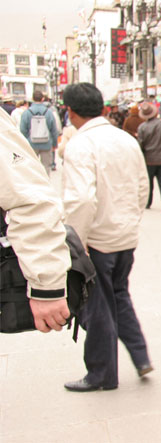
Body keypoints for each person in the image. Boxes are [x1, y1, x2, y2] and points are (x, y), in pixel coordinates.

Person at [61, 83, 152, 392]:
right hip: (125, 236)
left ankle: (101, 374)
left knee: (98, 306)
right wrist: (131, 221)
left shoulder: (80, 144)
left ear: (70, 112)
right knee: (118, 295)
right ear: (101, 108)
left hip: (97, 240)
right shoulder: (126, 139)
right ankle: (140, 355)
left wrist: (77, 242)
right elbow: (142, 187)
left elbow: (81, 200)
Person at [0, 108, 71, 333]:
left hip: (29, 149)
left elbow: (30, 198)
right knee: (42, 168)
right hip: (42, 144)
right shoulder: (48, 113)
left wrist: (47, 287)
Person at [137, 102, 161, 213]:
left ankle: (147, 202)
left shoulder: (142, 128)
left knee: (148, 182)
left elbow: (141, 145)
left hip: (149, 160)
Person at [19, 91, 59, 176]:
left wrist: (26, 140)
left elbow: (22, 129)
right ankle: (45, 181)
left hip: (31, 144)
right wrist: (54, 143)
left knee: (32, 165)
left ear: (32, 99)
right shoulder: (49, 112)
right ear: (42, 99)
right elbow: (54, 129)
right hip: (46, 143)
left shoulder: (27, 112)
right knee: (46, 166)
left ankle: (34, 181)